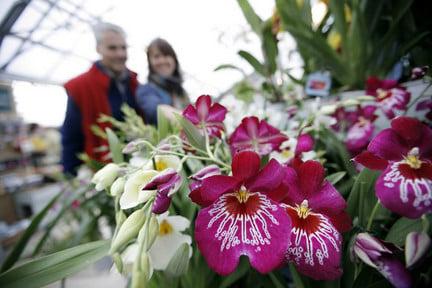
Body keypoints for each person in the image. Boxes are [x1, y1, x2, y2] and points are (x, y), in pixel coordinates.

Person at [61, 22, 140, 176]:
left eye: (123, 47)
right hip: (103, 170)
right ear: (98, 49)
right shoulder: (80, 87)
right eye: (112, 48)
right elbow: (71, 136)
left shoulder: (134, 83)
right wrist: (70, 175)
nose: (120, 54)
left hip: (138, 166)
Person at [136, 38, 189, 125]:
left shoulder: (181, 92)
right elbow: (157, 109)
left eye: (166, 55)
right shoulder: (146, 90)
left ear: (174, 59)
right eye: (156, 56)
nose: (162, 60)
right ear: (150, 62)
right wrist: (191, 122)